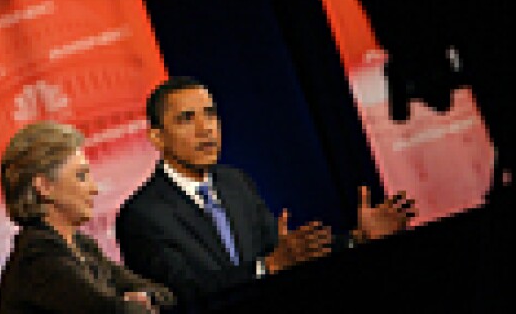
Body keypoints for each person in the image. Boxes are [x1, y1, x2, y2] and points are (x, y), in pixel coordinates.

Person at [116, 77, 415, 312]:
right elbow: (181, 293)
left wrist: (357, 239)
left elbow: (285, 253)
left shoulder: (236, 183)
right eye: (186, 119)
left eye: (210, 114)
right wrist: (269, 266)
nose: (205, 128)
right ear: (157, 137)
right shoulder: (141, 215)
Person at [0, 121, 176, 313]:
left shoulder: (82, 246)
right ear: (45, 187)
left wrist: (143, 298)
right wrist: (129, 304)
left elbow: (164, 296)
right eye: (81, 176)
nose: (94, 189)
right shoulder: (38, 262)